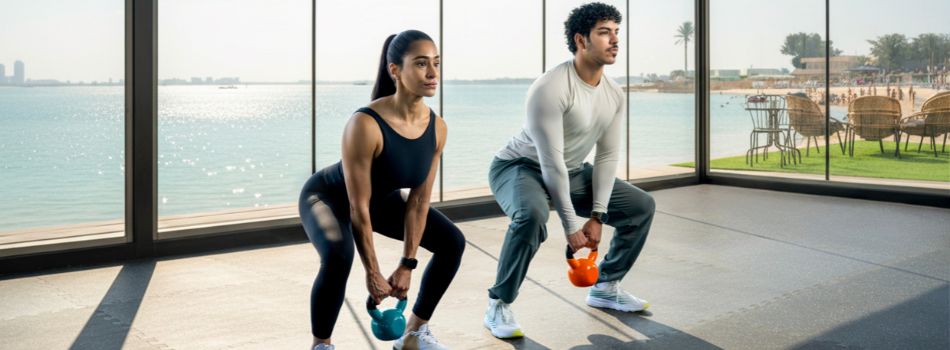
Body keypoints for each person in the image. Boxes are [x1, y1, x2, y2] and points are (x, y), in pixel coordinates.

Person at [482, 2, 656, 339]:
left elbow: (607, 157)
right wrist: (571, 225)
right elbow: (550, 162)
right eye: (604, 33)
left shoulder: (614, 94)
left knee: (640, 206)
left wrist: (598, 215)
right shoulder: (550, 87)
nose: (614, 40)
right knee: (531, 216)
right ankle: (498, 303)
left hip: (572, 169)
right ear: (581, 40)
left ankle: (605, 285)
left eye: (616, 32)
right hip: (520, 167)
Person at [299, 30, 463, 350]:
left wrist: (407, 264)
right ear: (395, 71)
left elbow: (418, 201)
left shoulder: (437, 127)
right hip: (328, 198)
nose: (432, 73)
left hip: (381, 201)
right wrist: (373, 272)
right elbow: (358, 207)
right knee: (338, 255)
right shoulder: (365, 123)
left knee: (452, 242)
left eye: (436, 63)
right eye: (420, 64)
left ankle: (413, 333)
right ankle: (322, 344)